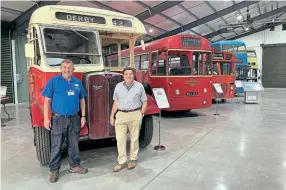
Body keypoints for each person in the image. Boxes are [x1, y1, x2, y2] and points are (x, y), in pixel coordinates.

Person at [42, 59, 88, 183]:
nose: (67, 70)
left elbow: (82, 100)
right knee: (56, 146)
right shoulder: (53, 82)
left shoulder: (77, 82)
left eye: (69, 67)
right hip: (58, 119)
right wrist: (46, 118)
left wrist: (83, 116)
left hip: (74, 118)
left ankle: (74, 166)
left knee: (74, 144)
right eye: (64, 67)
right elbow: (47, 101)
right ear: (61, 69)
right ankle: (54, 170)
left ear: (73, 69)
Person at [110, 67, 147, 172]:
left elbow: (144, 101)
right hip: (121, 115)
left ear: (133, 75)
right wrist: (112, 115)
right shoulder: (118, 86)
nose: (128, 76)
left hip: (135, 114)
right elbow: (116, 102)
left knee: (134, 139)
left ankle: (133, 159)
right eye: (126, 74)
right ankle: (121, 161)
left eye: (130, 74)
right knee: (120, 139)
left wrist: (141, 114)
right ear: (123, 75)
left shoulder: (139, 86)